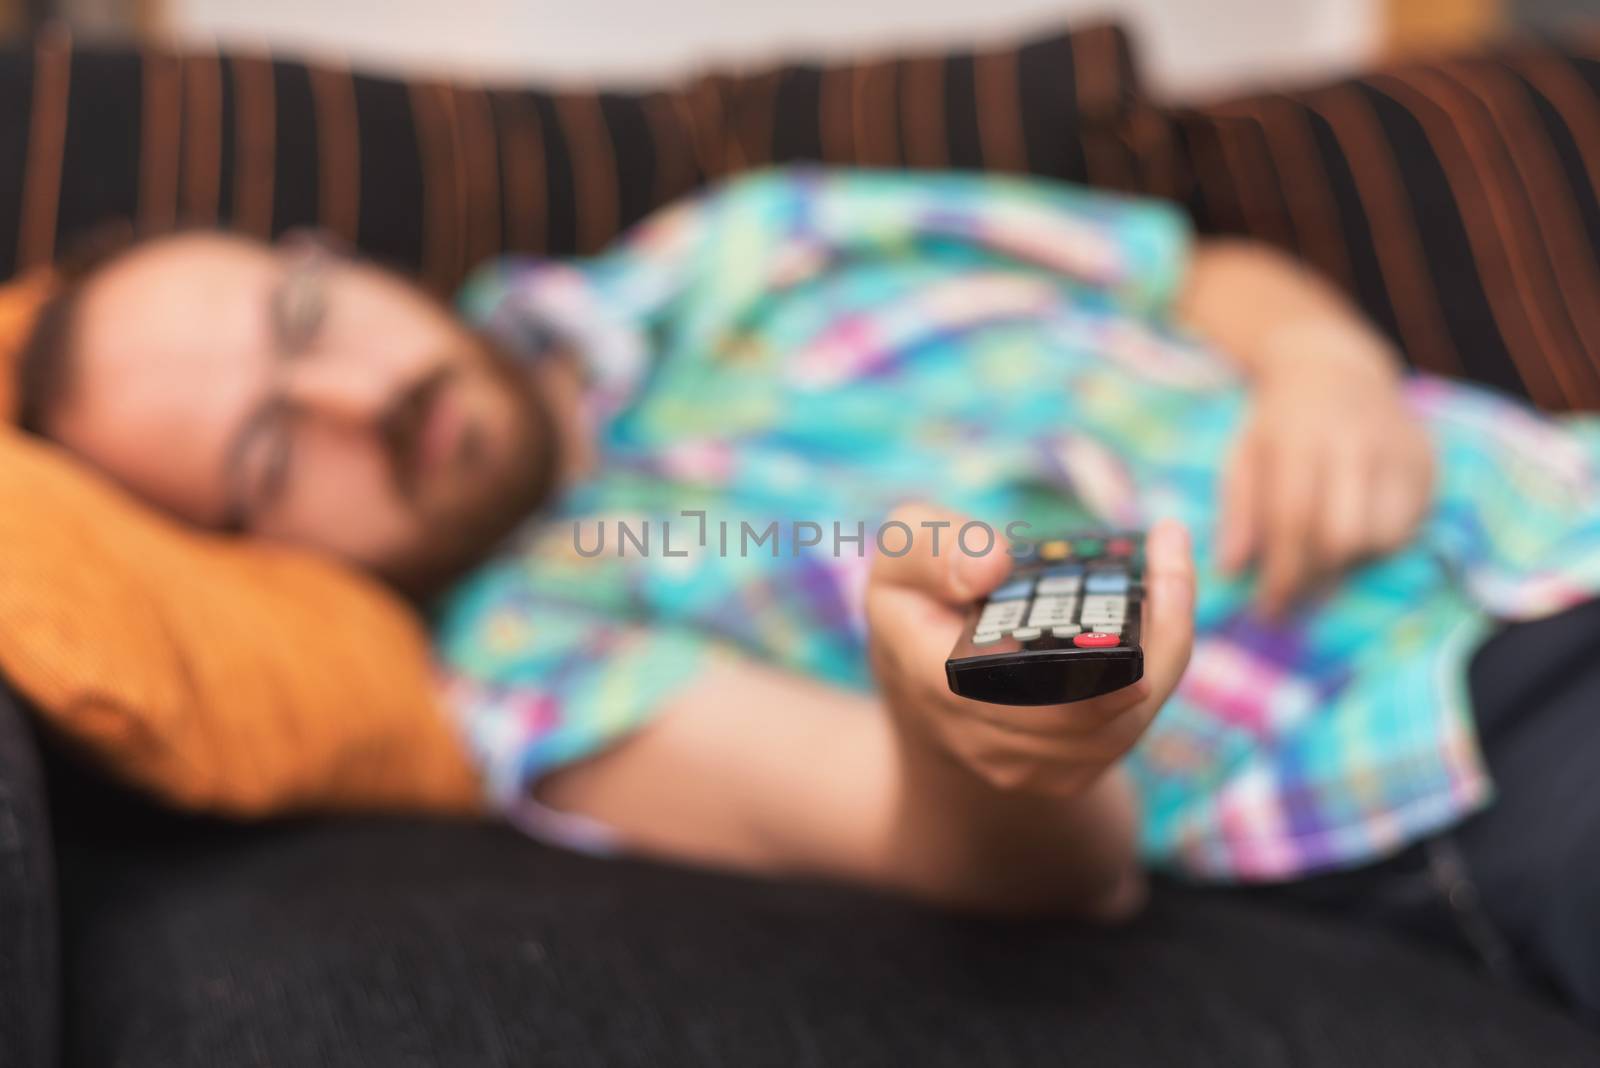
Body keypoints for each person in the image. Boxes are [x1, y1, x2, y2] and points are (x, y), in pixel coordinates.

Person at [13, 168, 1600, 1021]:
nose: (367, 397)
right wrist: (988, 746)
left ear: (331, 250)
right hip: (1458, 747)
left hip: (1552, 488)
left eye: (306, 316)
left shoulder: (752, 239)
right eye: (275, 452)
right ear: (254, 560)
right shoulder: (533, 662)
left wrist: (1328, 368)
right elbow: (1009, 863)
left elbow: (1190, 275)